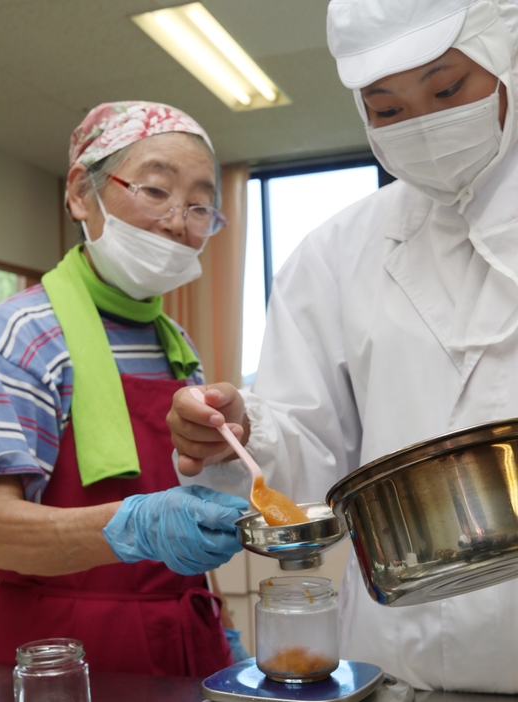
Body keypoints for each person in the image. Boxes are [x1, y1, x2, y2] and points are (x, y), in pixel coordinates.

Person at [168, 0, 518, 693]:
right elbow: (310, 466)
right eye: (386, 109)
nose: (422, 124)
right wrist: (243, 431)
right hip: (401, 668)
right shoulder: (332, 255)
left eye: (447, 90)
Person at [0, 101, 249, 676]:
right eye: (156, 190)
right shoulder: (24, 332)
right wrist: (134, 526)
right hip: (59, 652)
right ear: (80, 193)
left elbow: (188, 512)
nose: (179, 221)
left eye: (201, 205)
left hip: (184, 638)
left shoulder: (175, 341)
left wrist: (220, 621)